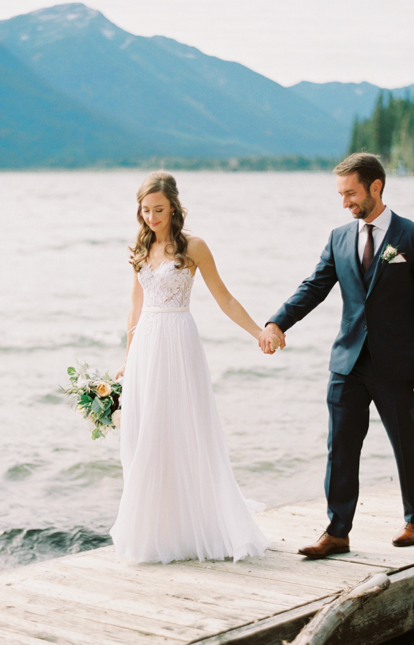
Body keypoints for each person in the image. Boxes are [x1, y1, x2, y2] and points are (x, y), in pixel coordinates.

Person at [258, 152, 414, 558]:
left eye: (350, 193)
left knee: (404, 442)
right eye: (341, 194)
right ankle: (337, 532)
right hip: (347, 362)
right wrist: (277, 322)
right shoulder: (339, 237)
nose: (344, 202)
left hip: (397, 363)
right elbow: (314, 287)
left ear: (376, 187)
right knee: (340, 446)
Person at [111, 171, 270, 564]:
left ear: (174, 208)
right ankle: (155, 529)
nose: (151, 217)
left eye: (159, 210)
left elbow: (225, 298)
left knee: (185, 430)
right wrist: (127, 360)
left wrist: (258, 333)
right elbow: (135, 307)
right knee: (142, 433)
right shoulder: (139, 248)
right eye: (146, 210)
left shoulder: (194, 247)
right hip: (147, 343)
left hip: (179, 342)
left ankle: (198, 525)